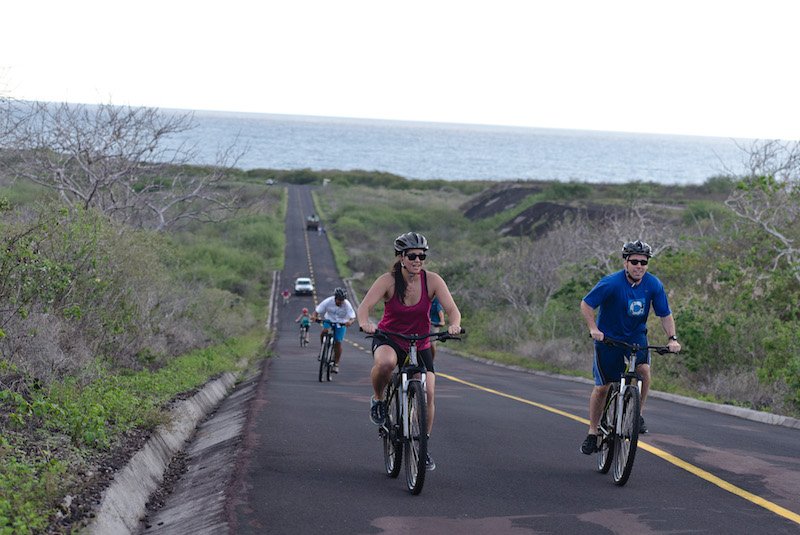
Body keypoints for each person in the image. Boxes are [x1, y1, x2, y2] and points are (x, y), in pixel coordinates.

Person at [357, 232, 462, 471]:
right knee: (386, 364)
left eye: (422, 256)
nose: (418, 260)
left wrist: (453, 324)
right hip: (390, 338)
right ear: (401, 257)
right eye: (412, 255)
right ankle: (379, 399)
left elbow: (453, 310)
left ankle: (422, 446)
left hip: (421, 342)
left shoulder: (433, 281)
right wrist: (365, 323)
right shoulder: (388, 281)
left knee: (429, 392)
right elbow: (364, 308)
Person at [579, 240, 681, 455]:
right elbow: (586, 304)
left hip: (636, 336)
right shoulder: (611, 283)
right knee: (603, 387)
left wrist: (672, 338)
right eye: (634, 261)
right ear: (625, 262)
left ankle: (637, 414)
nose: (639, 266)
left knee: (643, 370)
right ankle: (593, 431)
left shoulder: (653, 284)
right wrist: (594, 328)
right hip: (609, 338)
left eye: (643, 262)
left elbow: (664, 314)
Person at [310, 287, 356, 373]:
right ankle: (323, 348)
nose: (340, 302)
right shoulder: (328, 301)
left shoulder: (347, 305)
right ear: (335, 298)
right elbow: (317, 311)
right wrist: (314, 316)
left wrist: (350, 322)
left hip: (341, 323)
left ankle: (336, 364)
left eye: (342, 300)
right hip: (329, 320)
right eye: (338, 300)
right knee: (324, 331)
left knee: (338, 342)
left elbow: (352, 317)